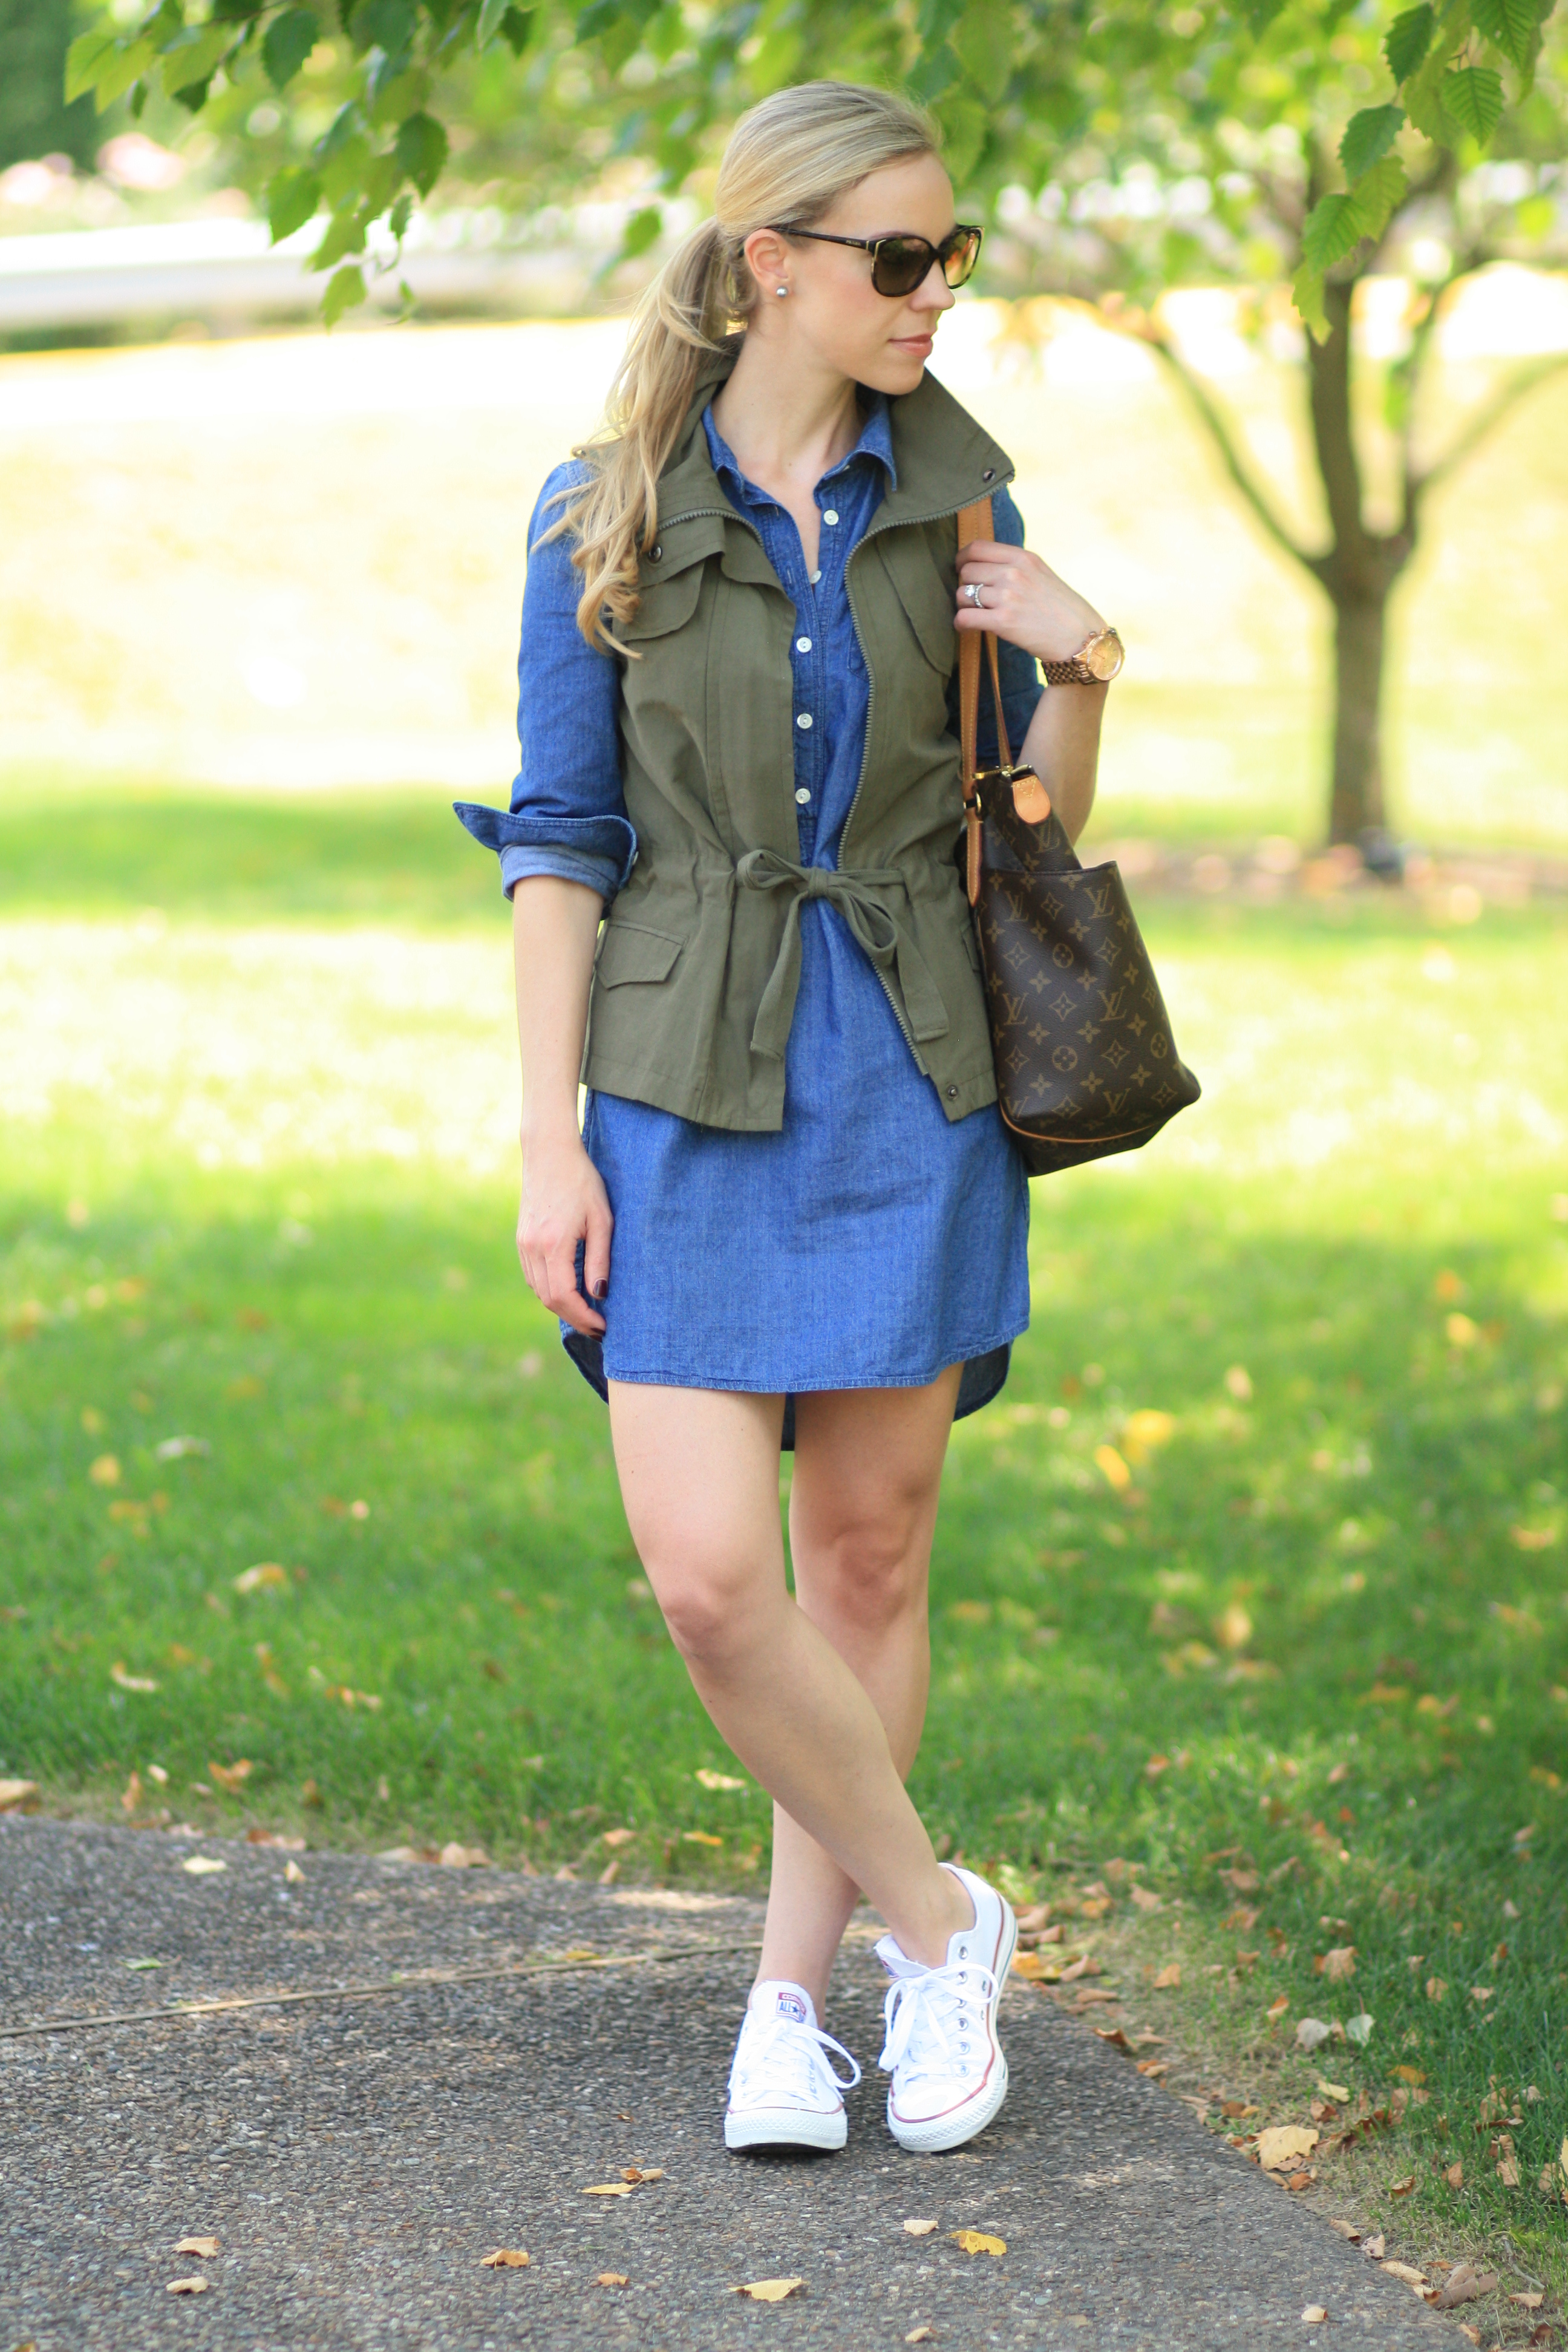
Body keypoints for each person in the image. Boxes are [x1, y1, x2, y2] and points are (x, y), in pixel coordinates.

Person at [456, 78, 1116, 2159]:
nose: (936, 294)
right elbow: (561, 842)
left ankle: (789, 2012)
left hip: (911, 1072)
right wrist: (549, 1136)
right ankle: (943, 1925)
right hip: (677, 1078)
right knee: (711, 1581)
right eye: (897, 259)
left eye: (954, 256)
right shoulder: (607, 509)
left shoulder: (964, 501)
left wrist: (1081, 671)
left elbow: (1035, 837)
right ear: (773, 266)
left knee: (864, 1556)